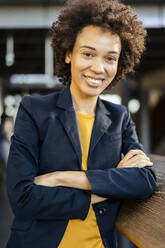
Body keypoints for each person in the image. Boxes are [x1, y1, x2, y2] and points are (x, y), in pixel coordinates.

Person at [6, 0, 157, 248]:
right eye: (88, 54)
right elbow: (22, 197)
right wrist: (108, 189)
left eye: (110, 58)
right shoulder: (34, 110)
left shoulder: (119, 117)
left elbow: (145, 181)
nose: (98, 68)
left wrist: (61, 178)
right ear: (68, 53)